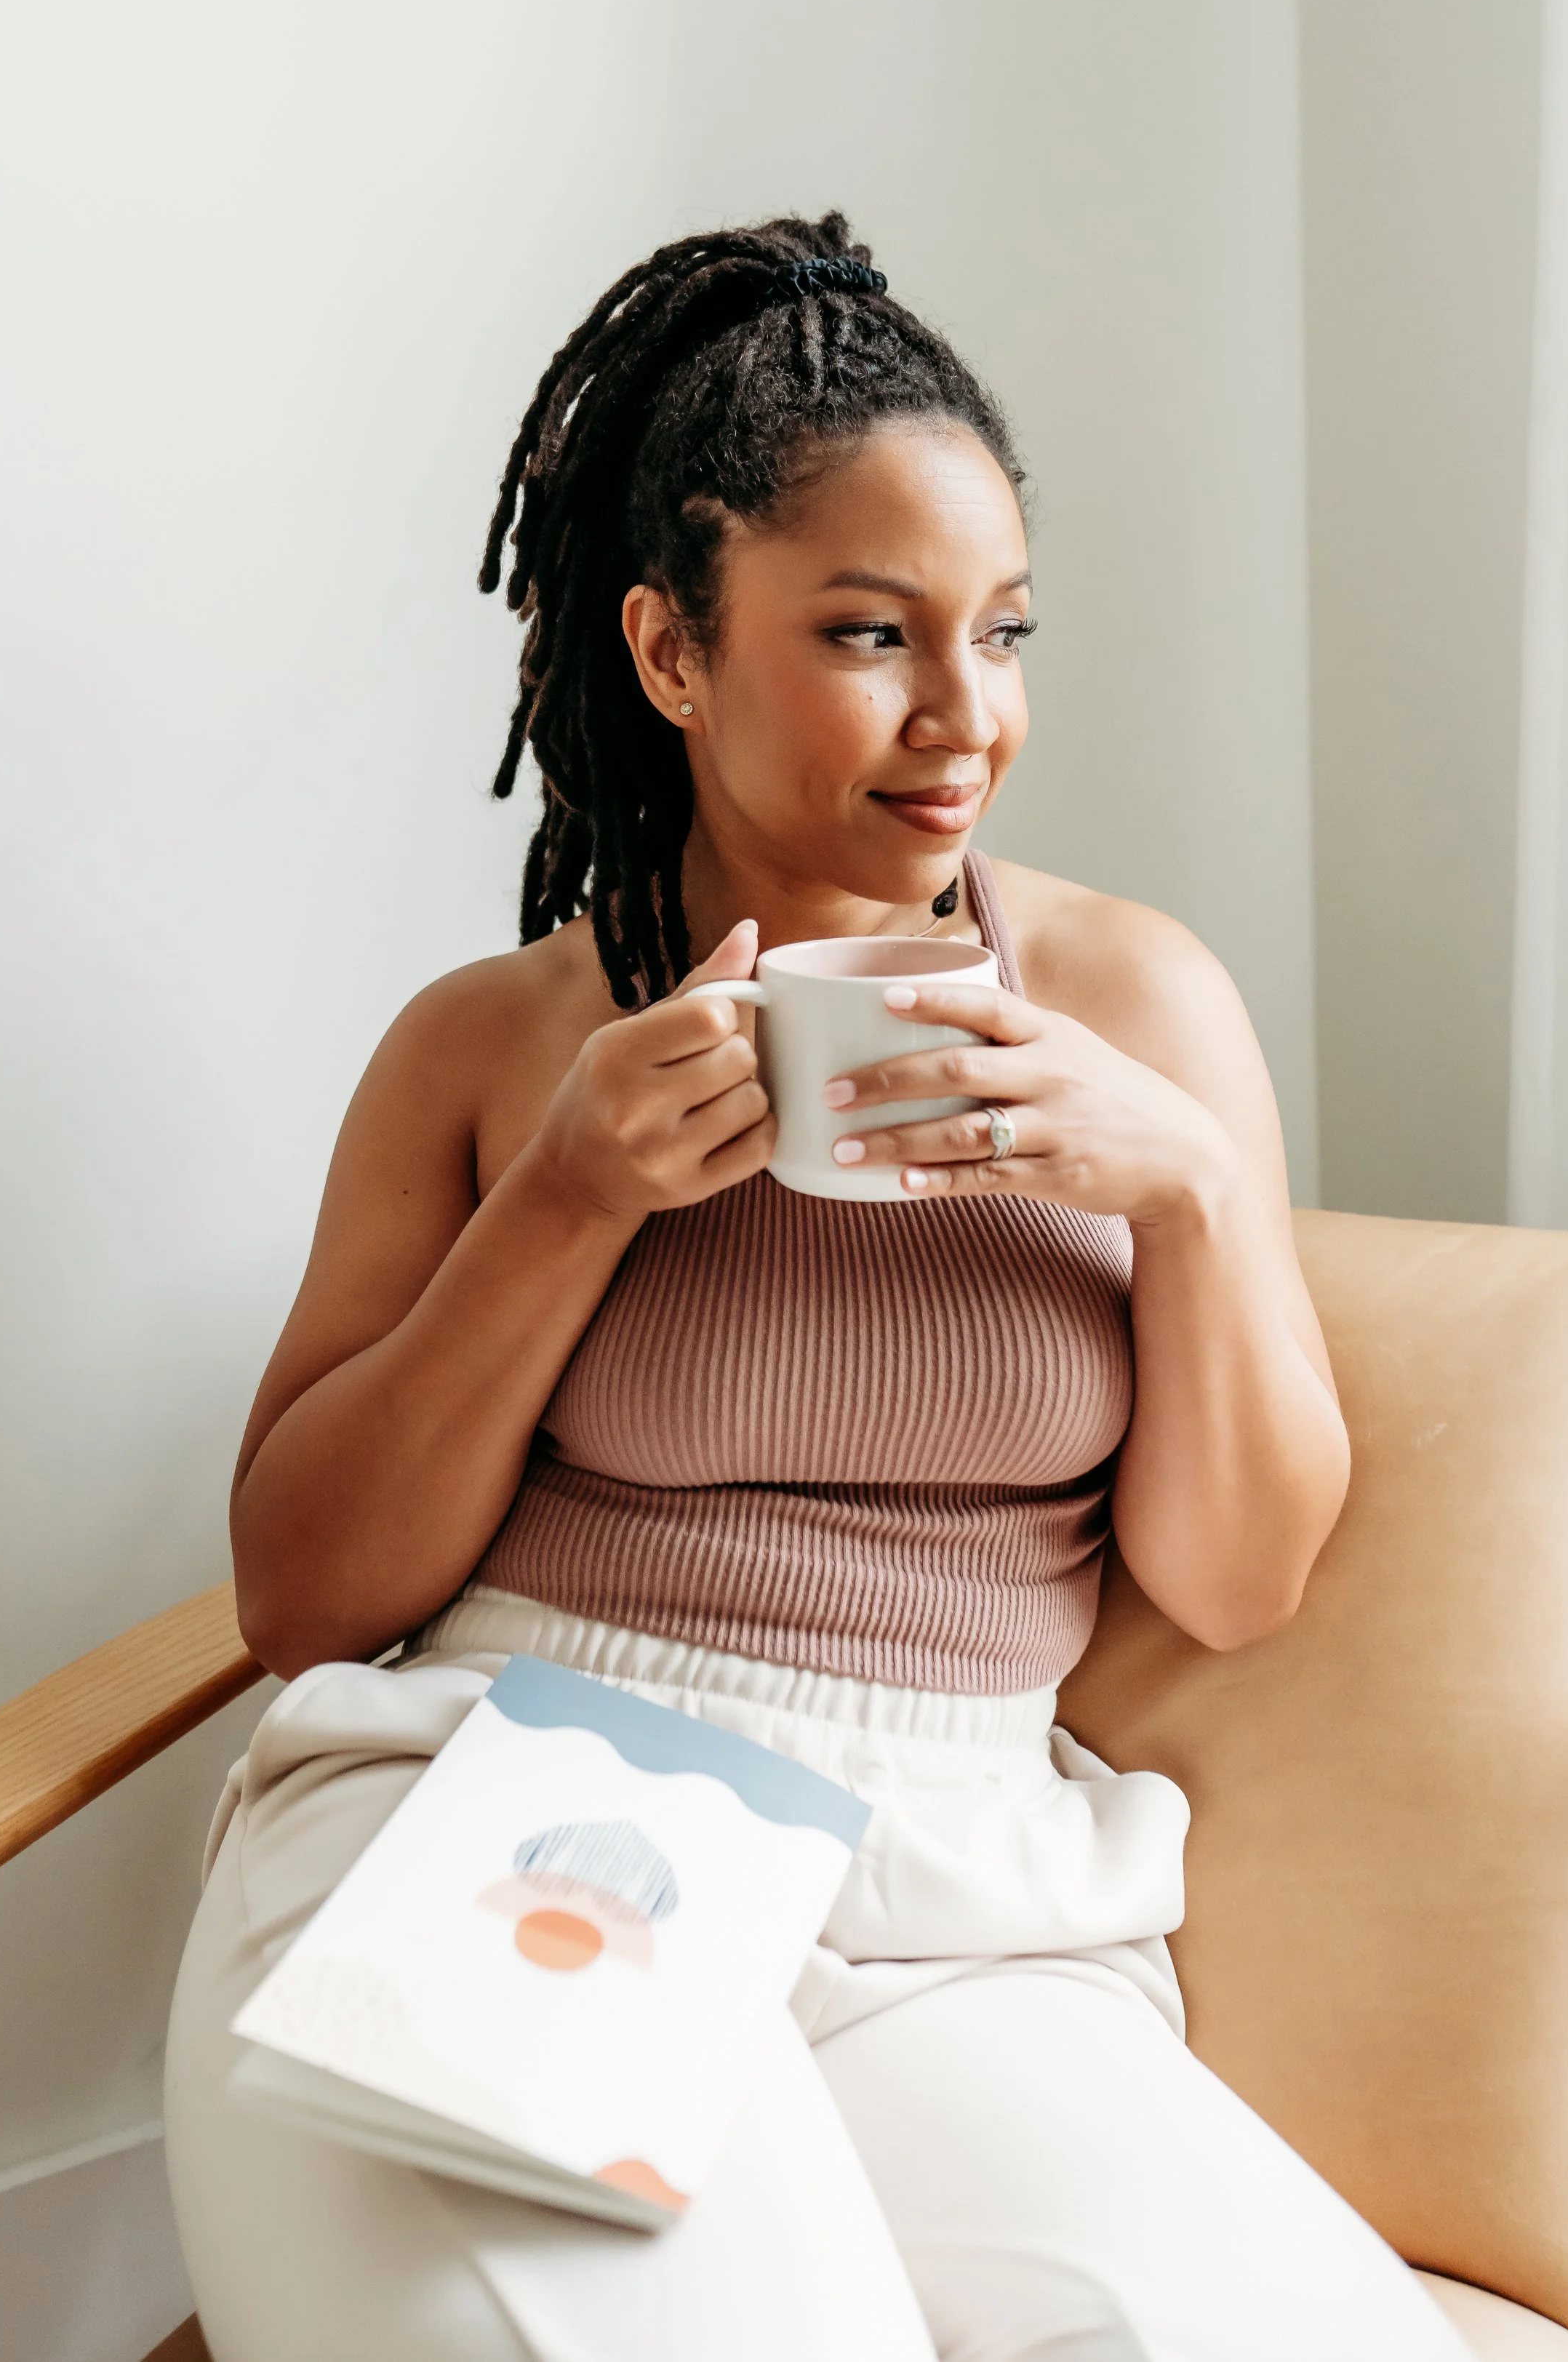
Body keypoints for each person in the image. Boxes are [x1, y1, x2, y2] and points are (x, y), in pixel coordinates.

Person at [164, 216, 1469, 2361]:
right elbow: (301, 1593)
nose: (968, 719)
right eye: (872, 634)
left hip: (962, 1889)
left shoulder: (1139, 999)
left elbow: (1236, 1584)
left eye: (1006, 632)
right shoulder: (492, 1047)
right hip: (516, 1792)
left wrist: (1198, 1199)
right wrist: (570, 1202)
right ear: (671, 650)